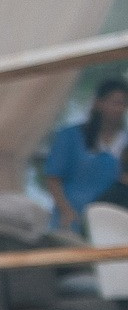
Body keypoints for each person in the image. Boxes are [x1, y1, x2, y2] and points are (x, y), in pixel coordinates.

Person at [39, 78, 127, 234]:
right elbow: (53, 179)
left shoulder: (124, 142)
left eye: (124, 104)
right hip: (70, 221)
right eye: (115, 102)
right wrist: (67, 212)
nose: (120, 109)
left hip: (109, 224)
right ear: (98, 103)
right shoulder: (70, 136)